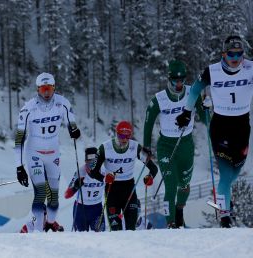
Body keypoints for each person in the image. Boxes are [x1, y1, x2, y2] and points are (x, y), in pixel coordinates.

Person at [176, 35, 252, 228]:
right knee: (226, 176)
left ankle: (224, 199)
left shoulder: (250, 68)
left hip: (242, 127)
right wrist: (186, 112)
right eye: (232, 54)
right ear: (224, 54)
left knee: (235, 172)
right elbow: (194, 91)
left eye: (240, 54)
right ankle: (224, 218)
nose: (236, 58)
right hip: (221, 127)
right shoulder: (212, 71)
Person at [143, 60, 206, 228]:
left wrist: (207, 110)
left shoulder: (192, 93)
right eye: (175, 81)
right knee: (170, 185)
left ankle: (179, 211)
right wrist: (147, 147)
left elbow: (206, 118)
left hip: (186, 145)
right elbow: (148, 124)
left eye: (182, 80)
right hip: (166, 147)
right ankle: (170, 224)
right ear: (168, 79)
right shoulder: (159, 99)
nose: (179, 84)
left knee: (184, 184)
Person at [15, 72, 81, 232]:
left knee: (54, 197)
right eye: (43, 88)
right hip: (34, 152)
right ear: (38, 89)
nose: (46, 92)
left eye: (49, 88)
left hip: (53, 153)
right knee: (41, 191)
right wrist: (19, 166)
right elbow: (19, 139)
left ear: (54, 88)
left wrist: (74, 129)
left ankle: (50, 223)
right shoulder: (28, 108)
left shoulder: (62, 103)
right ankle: (38, 230)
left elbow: (71, 122)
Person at [89, 121, 158, 231]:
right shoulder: (105, 148)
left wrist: (149, 177)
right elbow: (93, 172)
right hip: (112, 190)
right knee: (116, 230)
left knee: (131, 229)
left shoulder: (135, 147)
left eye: (127, 136)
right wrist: (104, 178)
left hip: (129, 189)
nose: (124, 139)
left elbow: (154, 168)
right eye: (121, 136)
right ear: (116, 134)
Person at [64, 147, 105, 232]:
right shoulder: (80, 172)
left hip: (97, 208)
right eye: (89, 160)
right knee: (80, 239)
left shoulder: (104, 171)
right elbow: (67, 195)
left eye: (94, 161)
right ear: (85, 161)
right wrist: (75, 187)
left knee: (101, 237)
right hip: (80, 209)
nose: (91, 164)